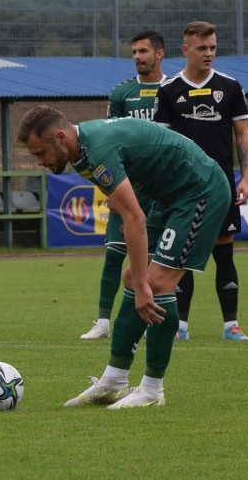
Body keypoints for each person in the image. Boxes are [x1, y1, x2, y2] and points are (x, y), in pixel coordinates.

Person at [18, 105, 230, 409]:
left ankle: (152, 390)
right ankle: (114, 380)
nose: (39, 161)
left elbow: (135, 218)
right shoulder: (81, 153)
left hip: (200, 191)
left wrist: (145, 286)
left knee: (155, 284)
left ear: (61, 137)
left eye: (40, 153)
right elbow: (128, 198)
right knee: (132, 277)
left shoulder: (97, 150)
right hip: (169, 196)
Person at [154, 21, 248, 341]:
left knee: (224, 254)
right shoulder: (169, 90)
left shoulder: (231, 87)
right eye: (202, 48)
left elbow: (243, 136)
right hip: (183, 188)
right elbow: (162, 143)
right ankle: (180, 326)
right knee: (182, 254)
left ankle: (231, 326)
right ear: (186, 50)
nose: (209, 53)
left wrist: (245, 178)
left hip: (222, 186)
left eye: (212, 47)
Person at [80, 30, 167, 340]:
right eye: (134, 52)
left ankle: (152, 318)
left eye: (143, 51)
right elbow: (108, 137)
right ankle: (103, 321)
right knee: (115, 252)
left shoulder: (172, 90)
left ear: (160, 54)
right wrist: (111, 190)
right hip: (127, 184)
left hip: (159, 186)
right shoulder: (121, 94)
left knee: (153, 257)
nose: (137, 57)